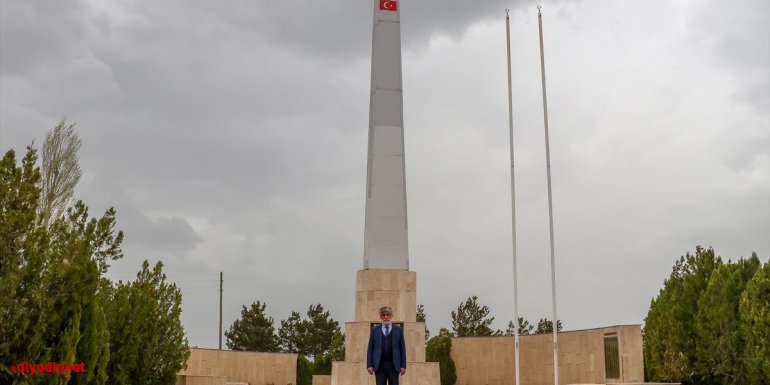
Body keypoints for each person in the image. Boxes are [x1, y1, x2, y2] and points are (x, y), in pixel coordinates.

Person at [367, 306, 407, 385]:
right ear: (380, 317)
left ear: (391, 316)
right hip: (379, 365)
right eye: (383, 315)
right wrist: (369, 365)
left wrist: (403, 366)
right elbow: (370, 349)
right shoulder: (374, 330)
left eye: (388, 315)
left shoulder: (399, 330)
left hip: (394, 365)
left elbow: (402, 349)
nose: (386, 317)